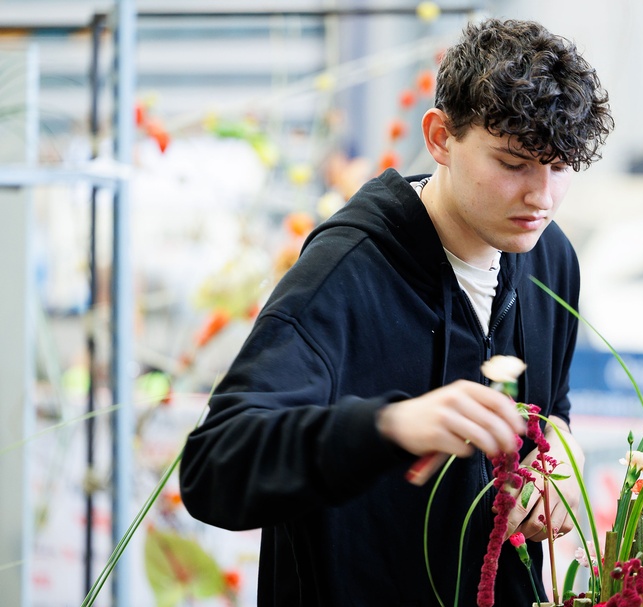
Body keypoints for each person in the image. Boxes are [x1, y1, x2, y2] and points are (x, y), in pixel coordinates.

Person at [179, 17, 614, 607]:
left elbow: (551, 408)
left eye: (560, 167)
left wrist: (562, 448)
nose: (541, 197)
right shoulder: (343, 275)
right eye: (513, 164)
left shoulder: (550, 257)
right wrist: (389, 426)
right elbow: (213, 470)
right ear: (440, 138)